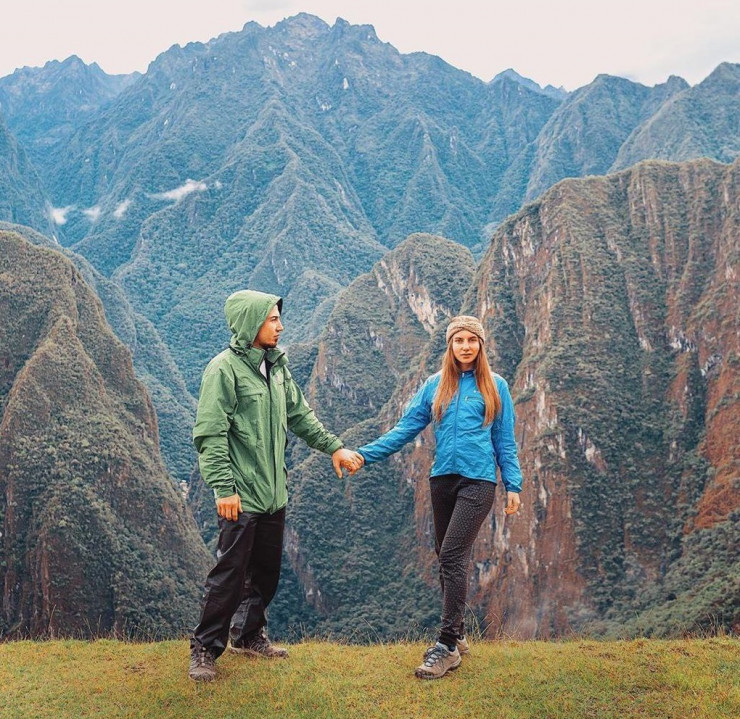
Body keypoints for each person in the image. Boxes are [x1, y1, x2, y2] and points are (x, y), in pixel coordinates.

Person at [188, 290, 362, 682]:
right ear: (251, 324)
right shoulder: (223, 371)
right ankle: (205, 648)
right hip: (241, 494)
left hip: (273, 492)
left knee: (266, 573)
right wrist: (223, 488)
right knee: (229, 575)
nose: (280, 326)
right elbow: (210, 434)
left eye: (278, 319)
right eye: (272, 319)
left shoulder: (276, 367)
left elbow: (299, 415)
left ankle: (249, 634)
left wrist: (334, 447)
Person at [354, 315, 523, 679]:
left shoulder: (496, 386)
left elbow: (504, 441)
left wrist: (513, 485)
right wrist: (364, 455)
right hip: (442, 480)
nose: (466, 346)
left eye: (472, 340)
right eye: (459, 340)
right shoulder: (435, 385)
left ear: (481, 344)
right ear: (450, 345)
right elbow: (405, 429)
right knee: (445, 557)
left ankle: (446, 645)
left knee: (452, 555)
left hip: (478, 481)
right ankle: (458, 633)